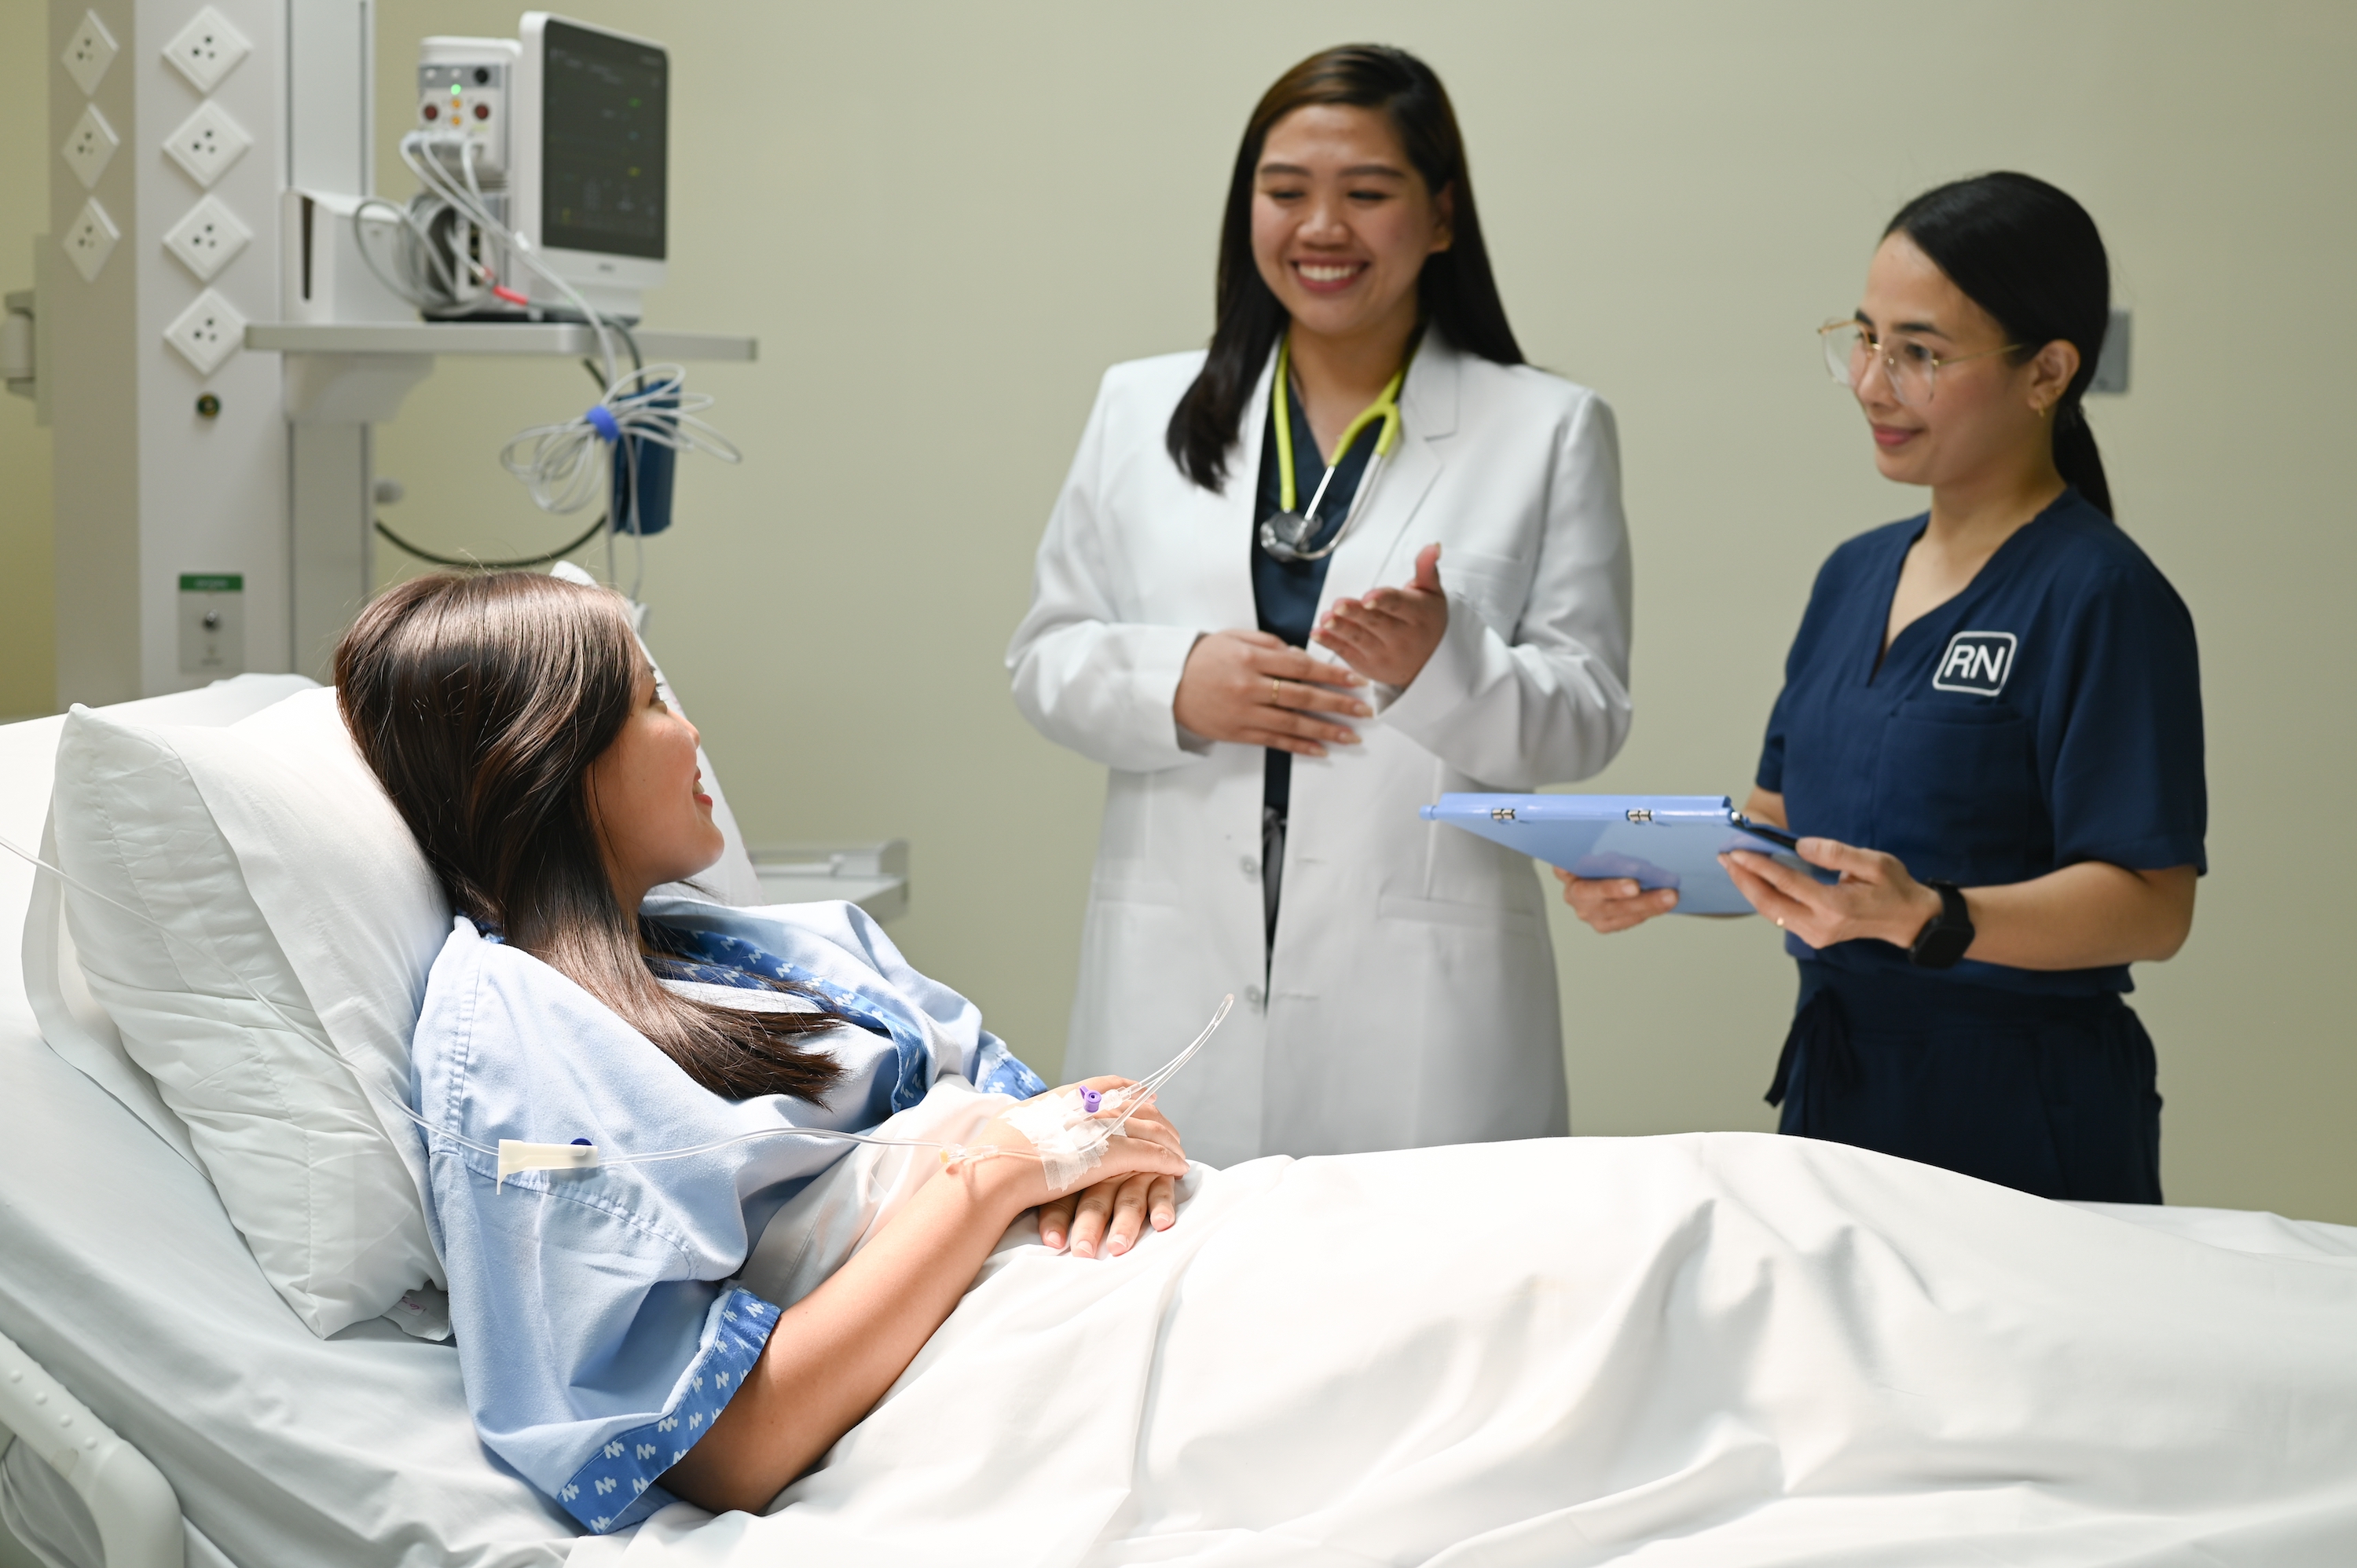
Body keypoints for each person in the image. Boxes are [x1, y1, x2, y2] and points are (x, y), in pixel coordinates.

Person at [339, 573, 2341, 1558]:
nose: (700, 728)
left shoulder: (748, 941)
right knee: (1716, 1269)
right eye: (652, 695)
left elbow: (1031, 1103)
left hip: (1178, 1257)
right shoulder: (517, 1021)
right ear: (540, 758)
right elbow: (710, 1440)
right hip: (1037, 1361)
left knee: (1754, 1219)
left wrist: (1089, 1130)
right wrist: (991, 1172)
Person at [1006, 46, 1633, 1167]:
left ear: (1441, 217)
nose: (1321, 227)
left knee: (1426, 1310)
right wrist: (1176, 684)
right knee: (1168, 1304)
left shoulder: (1546, 428)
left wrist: (1443, 664)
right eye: (1285, 191)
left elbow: (1586, 714)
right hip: (1175, 972)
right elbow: (1046, 657)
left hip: (1424, 1003)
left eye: (1368, 193)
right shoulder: (1140, 405)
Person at [1560, 173, 2203, 1203]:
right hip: (1840, 1099)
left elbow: (2153, 907)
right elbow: (1781, 835)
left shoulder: (2102, 596)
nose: (1871, 383)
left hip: (2025, 1113)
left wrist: (1934, 915)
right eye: (1865, 338)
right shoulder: (1854, 576)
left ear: (2048, 372)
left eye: (1921, 353)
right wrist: (1660, 873)